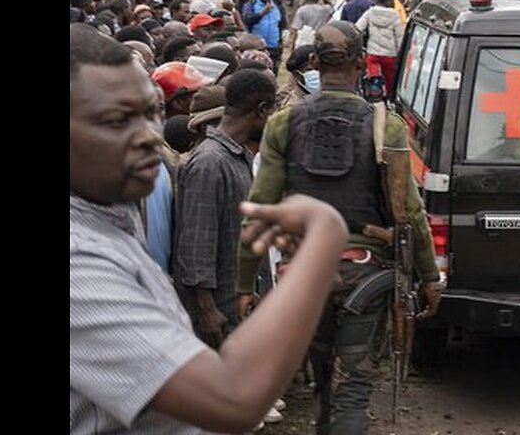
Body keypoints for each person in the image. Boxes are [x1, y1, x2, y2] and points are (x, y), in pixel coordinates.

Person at [70, 23, 350, 434]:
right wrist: (324, 239)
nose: (149, 135)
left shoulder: (113, 213)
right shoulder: (78, 265)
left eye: (153, 112)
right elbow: (233, 397)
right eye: (115, 120)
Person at [237, 21, 442, 435]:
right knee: (353, 389)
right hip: (364, 273)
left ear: (313, 62)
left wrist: (243, 285)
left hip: (303, 277)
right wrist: (429, 277)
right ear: (363, 63)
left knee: (324, 383)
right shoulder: (388, 127)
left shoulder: (282, 123)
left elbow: (259, 209)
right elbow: (410, 213)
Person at [172, 70, 276, 349]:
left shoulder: (237, 157)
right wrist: (206, 310)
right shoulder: (210, 163)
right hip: (222, 315)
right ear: (261, 110)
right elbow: (195, 246)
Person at [355, 0, 405, 97]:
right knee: (390, 81)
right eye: (392, 0)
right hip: (390, 55)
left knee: (373, 78)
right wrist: (400, 55)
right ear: (387, 0)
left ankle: (374, 97)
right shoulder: (395, 15)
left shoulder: (370, 12)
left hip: (373, 53)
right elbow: (400, 36)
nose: (394, 2)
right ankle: (388, 99)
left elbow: (358, 27)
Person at [241, 0, 284, 72]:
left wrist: (281, 40)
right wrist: (262, 13)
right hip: (257, 47)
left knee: (273, 70)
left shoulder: (277, 5)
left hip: (274, 47)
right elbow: (247, 19)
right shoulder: (251, 5)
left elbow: (281, 23)